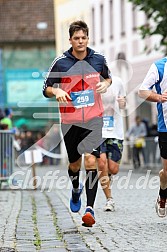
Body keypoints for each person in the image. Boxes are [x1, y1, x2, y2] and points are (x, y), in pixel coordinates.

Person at [43, 20, 112, 227]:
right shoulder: (61, 62)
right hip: (70, 121)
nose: (80, 41)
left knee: (92, 162)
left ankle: (89, 210)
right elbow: (46, 87)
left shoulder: (98, 59)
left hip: (93, 118)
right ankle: (75, 190)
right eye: (77, 38)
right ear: (71, 40)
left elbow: (108, 78)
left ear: (88, 38)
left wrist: (104, 84)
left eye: (84, 38)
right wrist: (57, 91)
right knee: (75, 165)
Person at [138, 56, 167, 217]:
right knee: (166, 173)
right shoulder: (159, 66)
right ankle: (163, 195)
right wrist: (159, 97)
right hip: (165, 128)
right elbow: (142, 91)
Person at [97, 76, 126, 211]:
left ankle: (108, 176)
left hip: (115, 131)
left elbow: (123, 103)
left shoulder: (118, 82)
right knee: (102, 164)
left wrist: (122, 103)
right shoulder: (91, 83)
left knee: (113, 169)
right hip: (98, 131)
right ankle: (109, 199)